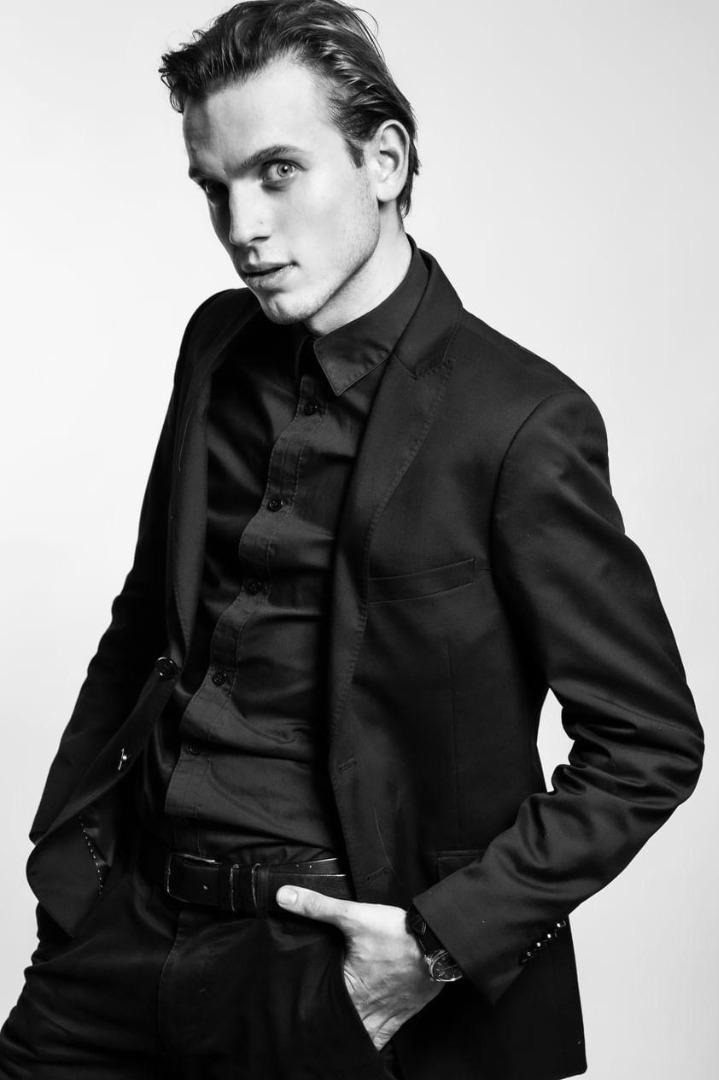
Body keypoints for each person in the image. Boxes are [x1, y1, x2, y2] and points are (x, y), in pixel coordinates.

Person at [0, 1, 703, 1078]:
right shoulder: (215, 345)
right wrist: (69, 867)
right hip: (126, 928)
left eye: (278, 172)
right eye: (214, 187)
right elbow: (146, 619)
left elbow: (648, 744)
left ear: (384, 160)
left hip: (326, 961)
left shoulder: (517, 421)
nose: (243, 225)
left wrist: (434, 946)